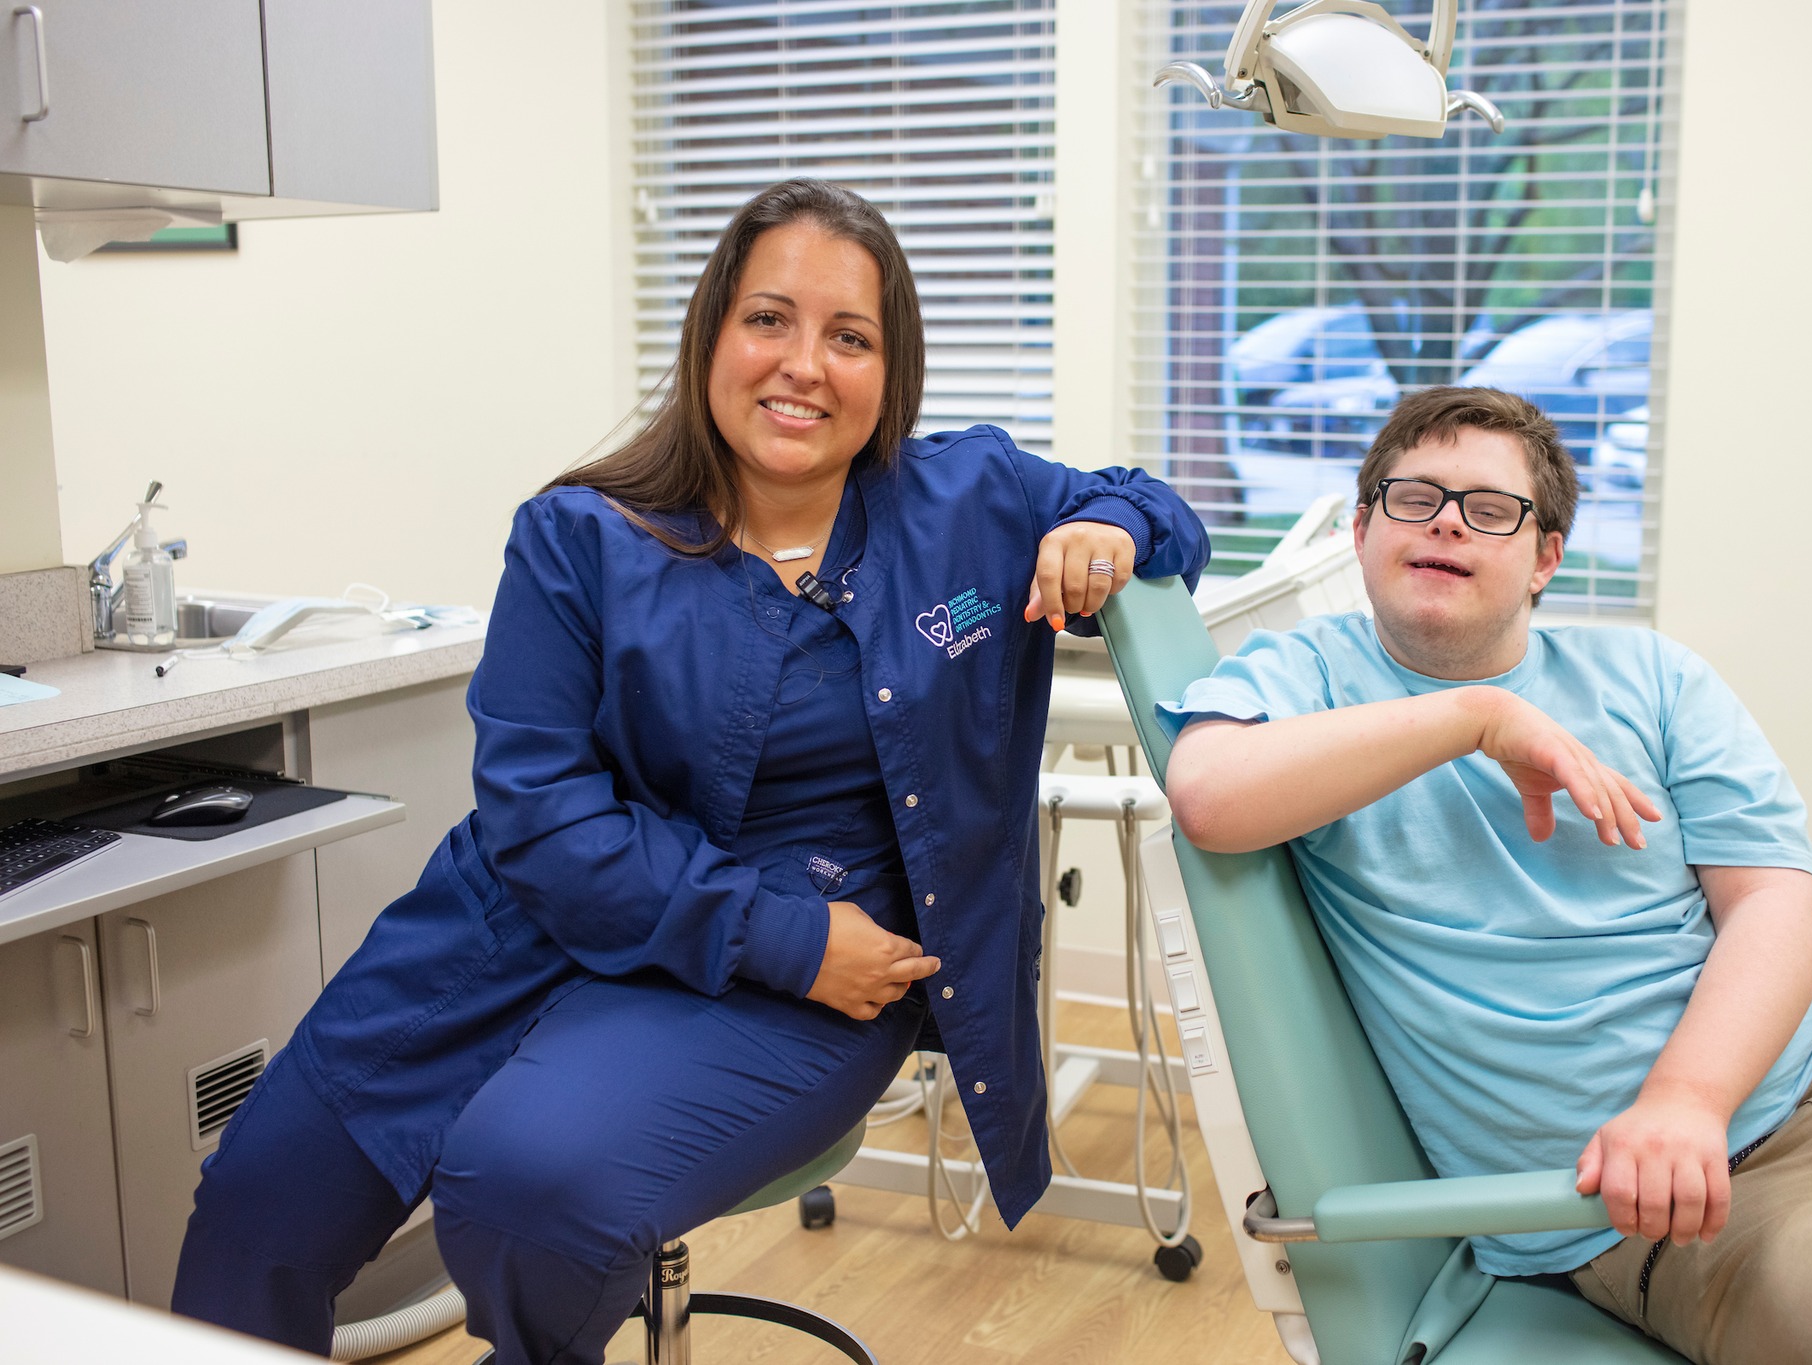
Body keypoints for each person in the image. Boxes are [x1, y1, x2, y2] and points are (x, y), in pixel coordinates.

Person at [170, 179, 1207, 1364]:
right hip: (532, 930)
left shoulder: (970, 497)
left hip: (804, 985)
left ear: (891, 365)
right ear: (712, 330)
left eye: (849, 336)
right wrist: (785, 933)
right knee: (249, 1220)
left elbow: (1162, 511)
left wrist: (1113, 529)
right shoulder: (577, 536)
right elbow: (542, 819)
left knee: (524, 1189)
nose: (802, 365)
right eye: (768, 319)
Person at [1158, 385, 1812, 1364]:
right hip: (1666, 1208)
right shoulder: (1300, 679)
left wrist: (1685, 1099)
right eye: (1414, 496)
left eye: (1490, 509)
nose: (1447, 520)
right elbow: (1207, 794)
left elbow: (1771, 904)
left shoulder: (1652, 677)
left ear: (1544, 558)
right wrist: (1476, 719)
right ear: (1362, 526)